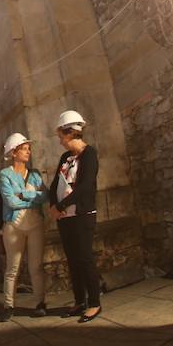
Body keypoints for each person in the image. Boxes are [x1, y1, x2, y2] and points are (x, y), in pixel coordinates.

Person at [48, 111, 102, 323]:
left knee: (85, 259)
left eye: (61, 135)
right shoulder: (64, 158)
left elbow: (86, 186)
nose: (60, 140)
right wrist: (54, 205)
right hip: (65, 217)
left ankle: (95, 303)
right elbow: (55, 184)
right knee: (72, 261)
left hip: (82, 215)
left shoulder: (89, 154)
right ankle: (80, 301)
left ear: (69, 133)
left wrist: (62, 204)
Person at [0, 133, 48, 322]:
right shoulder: (5, 175)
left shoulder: (34, 174)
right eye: (24, 149)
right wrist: (33, 196)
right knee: (12, 268)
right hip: (14, 225)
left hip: (35, 224)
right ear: (13, 152)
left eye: (28, 148)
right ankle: (8, 305)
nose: (28, 151)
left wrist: (23, 195)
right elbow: (10, 202)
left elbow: (46, 196)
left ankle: (40, 303)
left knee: (36, 267)